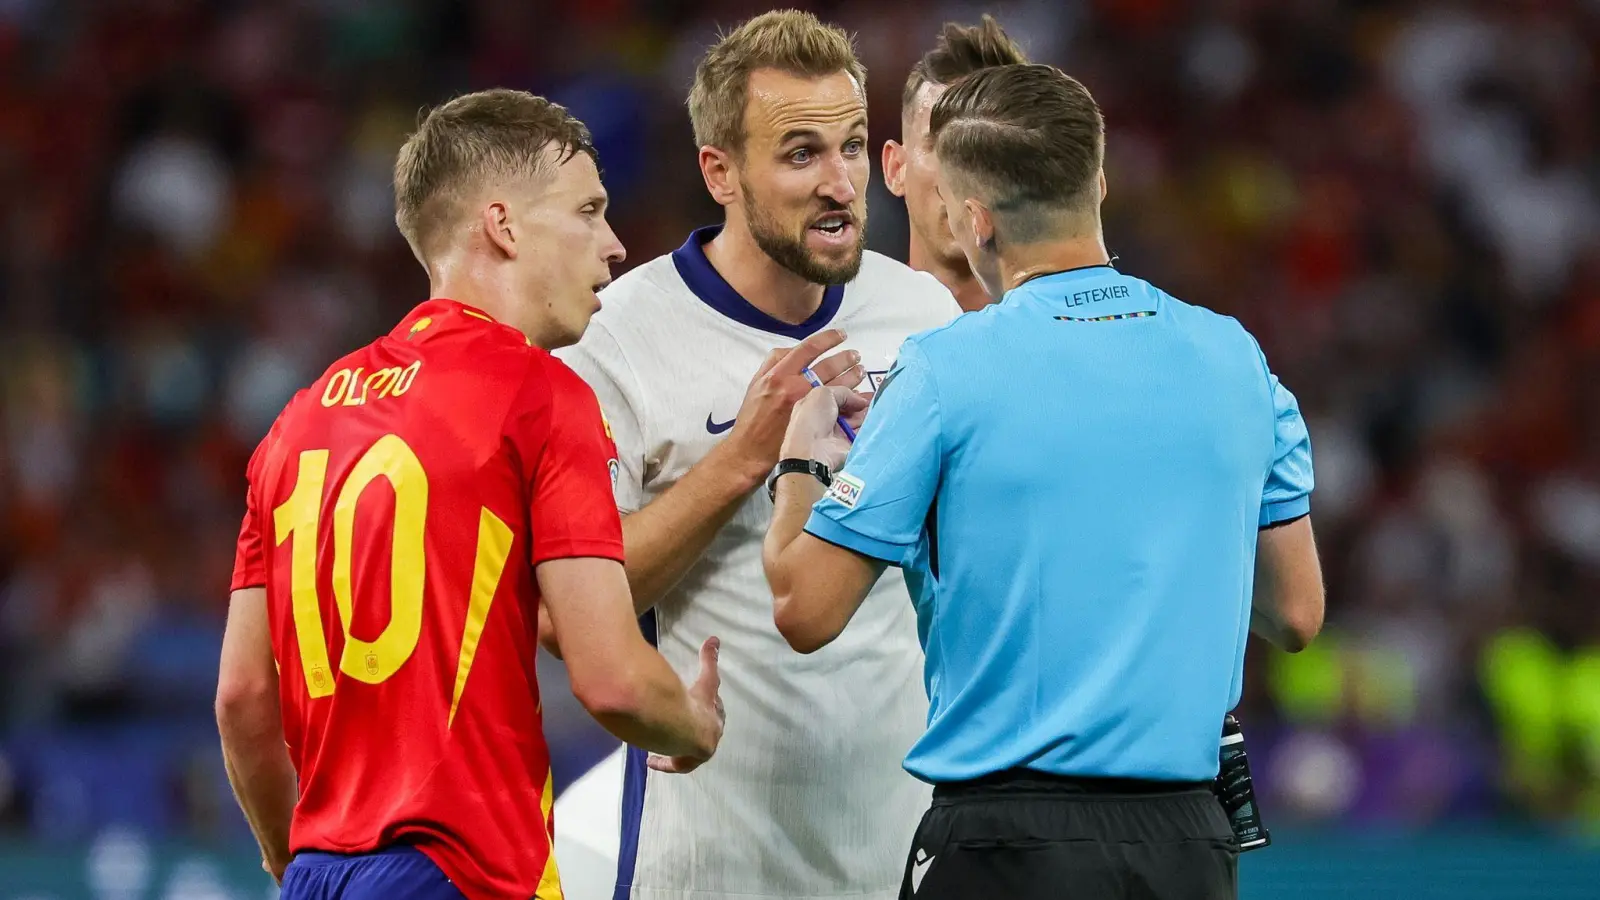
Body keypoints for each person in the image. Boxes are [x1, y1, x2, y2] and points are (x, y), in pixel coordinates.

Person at [763, 64, 1325, 900]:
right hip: (1187, 847)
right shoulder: (1236, 359)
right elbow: (1295, 613)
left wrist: (800, 462)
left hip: (1005, 844)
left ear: (976, 221)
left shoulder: (944, 373)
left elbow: (805, 610)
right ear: (1097, 182)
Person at [215, 89, 725, 900]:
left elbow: (244, 699)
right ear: (504, 225)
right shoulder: (538, 395)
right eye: (588, 211)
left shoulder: (295, 423)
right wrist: (693, 723)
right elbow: (612, 678)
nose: (615, 245)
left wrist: (293, 862)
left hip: (318, 876)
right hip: (465, 872)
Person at [551, 10, 961, 900]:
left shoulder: (926, 320)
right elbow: (566, 619)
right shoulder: (615, 341)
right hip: (704, 866)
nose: (841, 183)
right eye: (801, 153)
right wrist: (743, 457)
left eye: (853, 147)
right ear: (720, 171)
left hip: (899, 857)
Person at [883, 15, 1028, 312]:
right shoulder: (848, 340)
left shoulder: (1067, 339)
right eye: (939, 146)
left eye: (986, 145)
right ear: (896, 169)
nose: (959, 175)